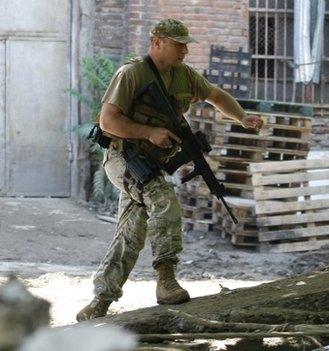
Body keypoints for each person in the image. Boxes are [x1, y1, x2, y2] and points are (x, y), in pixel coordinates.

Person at [76, 19, 264, 321]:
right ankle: (165, 280)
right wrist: (148, 132)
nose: (185, 50)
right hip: (123, 157)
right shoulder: (131, 74)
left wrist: (242, 117)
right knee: (163, 196)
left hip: (152, 162)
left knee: (131, 232)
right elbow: (108, 122)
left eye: (186, 43)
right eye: (178, 43)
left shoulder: (183, 76)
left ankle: (100, 302)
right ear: (157, 42)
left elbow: (215, 95)